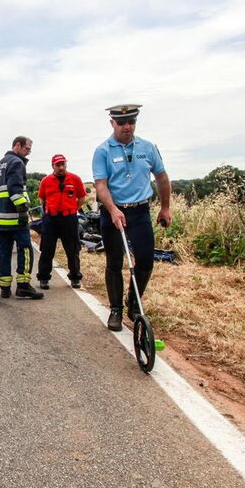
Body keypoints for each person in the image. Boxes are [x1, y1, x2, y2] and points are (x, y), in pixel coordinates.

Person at [92, 104, 171, 331]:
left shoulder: (148, 147)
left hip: (140, 211)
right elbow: (101, 185)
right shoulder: (103, 151)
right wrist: (113, 209)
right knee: (115, 261)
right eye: (122, 122)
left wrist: (165, 208)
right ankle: (115, 309)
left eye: (131, 122)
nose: (127, 127)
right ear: (112, 123)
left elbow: (162, 178)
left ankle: (133, 302)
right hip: (113, 211)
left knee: (145, 259)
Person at [0, 136, 44, 299]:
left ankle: (5, 288)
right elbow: (15, 188)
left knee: (5, 251)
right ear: (18, 145)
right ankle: (23, 285)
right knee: (25, 250)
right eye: (27, 149)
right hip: (14, 217)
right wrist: (23, 210)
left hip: (0, 219)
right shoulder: (16, 163)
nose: (28, 152)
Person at [36, 154, 87, 289]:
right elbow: (42, 200)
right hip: (51, 219)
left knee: (72, 249)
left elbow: (82, 198)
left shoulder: (75, 179)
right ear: (53, 166)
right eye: (58, 165)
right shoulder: (46, 181)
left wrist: (73, 209)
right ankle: (44, 277)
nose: (61, 167)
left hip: (69, 219)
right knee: (47, 249)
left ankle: (75, 277)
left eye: (63, 164)